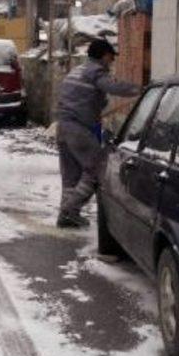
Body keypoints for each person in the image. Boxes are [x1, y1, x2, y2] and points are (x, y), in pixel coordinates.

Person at [56, 38, 140, 228]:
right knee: (98, 168)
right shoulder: (95, 71)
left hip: (63, 126)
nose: (112, 61)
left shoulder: (77, 71)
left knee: (71, 176)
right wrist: (140, 89)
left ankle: (67, 216)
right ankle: (69, 209)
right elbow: (113, 87)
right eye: (111, 57)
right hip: (78, 129)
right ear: (103, 56)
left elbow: (87, 98)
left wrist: (98, 105)